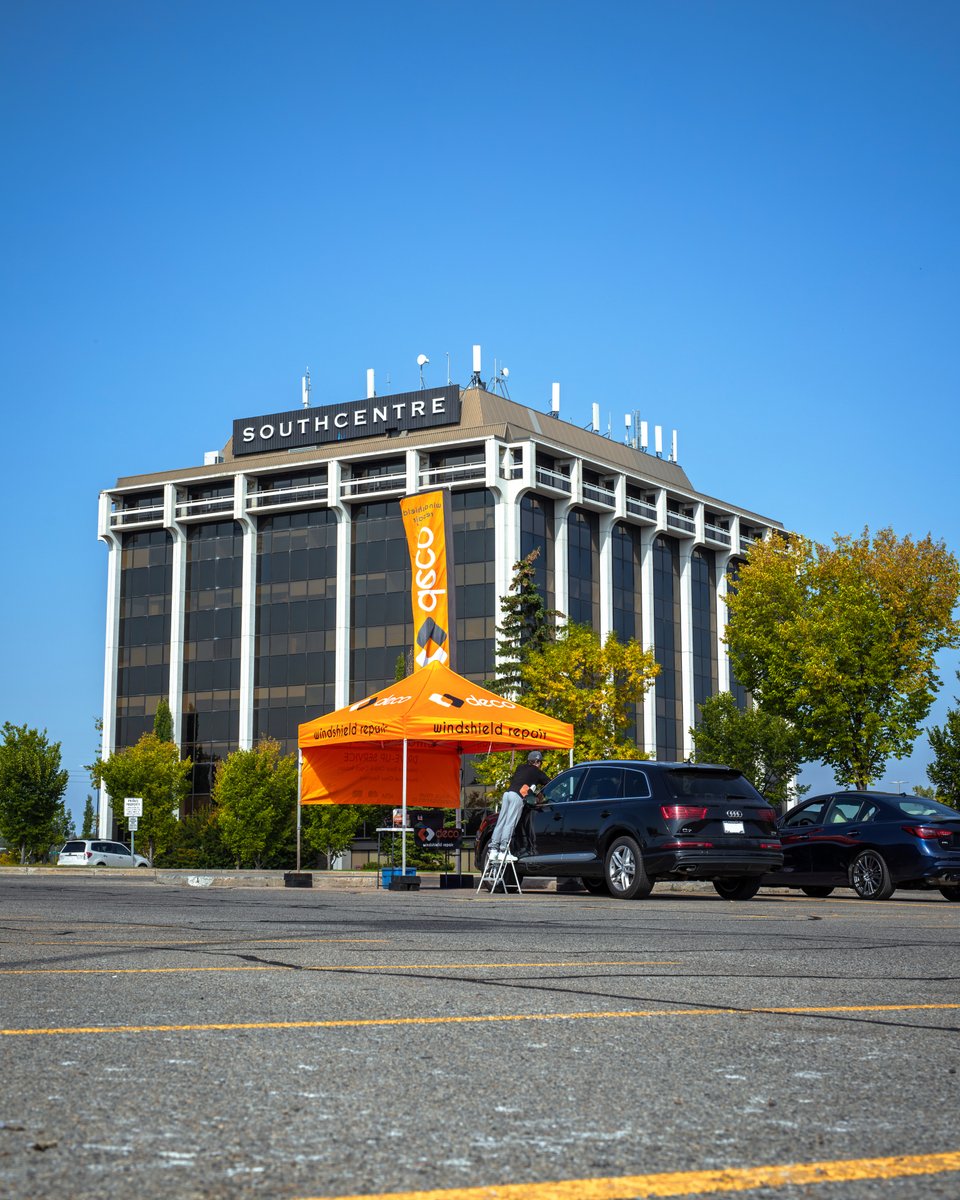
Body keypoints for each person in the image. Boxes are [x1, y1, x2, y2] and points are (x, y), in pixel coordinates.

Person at [487, 750, 550, 863]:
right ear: (536, 762)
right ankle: (503, 851)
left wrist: (532, 792)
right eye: (540, 762)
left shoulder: (520, 767)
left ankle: (493, 850)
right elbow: (550, 784)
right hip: (517, 797)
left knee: (501, 822)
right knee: (510, 823)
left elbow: (524, 783)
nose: (541, 765)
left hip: (507, 794)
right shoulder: (538, 773)